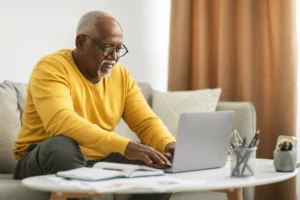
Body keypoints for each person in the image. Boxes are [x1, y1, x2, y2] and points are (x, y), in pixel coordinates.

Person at [12, 10, 176, 200]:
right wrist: (124, 145)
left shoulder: (121, 75)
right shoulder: (51, 67)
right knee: (61, 146)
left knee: (158, 161)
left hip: (97, 157)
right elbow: (61, 122)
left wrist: (168, 143)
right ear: (81, 42)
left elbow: (145, 122)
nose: (114, 57)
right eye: (107, 48)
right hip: (43, 156)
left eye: (118, 49)